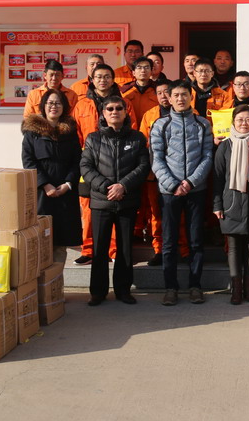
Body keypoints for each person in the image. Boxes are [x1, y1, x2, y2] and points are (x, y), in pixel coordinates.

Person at [80, 95, 150, 306]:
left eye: (119, 108)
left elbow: (143, 166)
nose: (114, 112)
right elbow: (85, 167)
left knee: (125, 248)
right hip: (101, 201)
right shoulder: (93, 138)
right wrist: (106, 187)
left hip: (127, 200)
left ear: (125, 112)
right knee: (100, 248)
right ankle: (98, 292)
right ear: (103, 113)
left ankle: (123, 290)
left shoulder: (137, 138)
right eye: (109, 109)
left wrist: (123, 186)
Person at [149, 80, 214, 306]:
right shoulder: (161, 124)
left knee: (195, 240)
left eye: (184, 94)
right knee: (169, 241)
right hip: (169, 191)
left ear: (191, 97)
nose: (180, 99)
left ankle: (195, 286)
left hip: (196, 189)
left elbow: (207, 156)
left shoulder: (202, 124)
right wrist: (173, 184)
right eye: (175, 95)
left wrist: (191, 182)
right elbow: (156, 158)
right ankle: (171, 287)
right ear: (169, 98)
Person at [72, 64, 139, 265]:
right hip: (91, 165)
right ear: (92, 80)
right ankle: (88, 249)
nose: (103, 80)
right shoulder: (82, 104)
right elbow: (76, 135)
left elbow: (132, 129)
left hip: (119, 163)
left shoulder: (124, 103)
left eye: (107, 76)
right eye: (99, 77)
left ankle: (114, 250)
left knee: (117, 209)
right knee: (88, 209)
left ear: (113, 79)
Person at [213, 105, 249, 305]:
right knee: (234, 247)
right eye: (240, 120)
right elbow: (218, 177)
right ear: (233, 123)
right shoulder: (225, 146)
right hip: (231, 202)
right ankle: (236, 289)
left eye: (248, 120)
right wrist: (217, 204)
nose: (244, 123)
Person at [21, 89, 82, 263]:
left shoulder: (70, 131)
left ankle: (56, 279)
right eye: (50, 103)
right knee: (41, 239)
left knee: (61, 243)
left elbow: (77, 160)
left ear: (64, 107)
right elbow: (28, 161)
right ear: (43, 106)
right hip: (42, 195)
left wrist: (68, 184)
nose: (54, 107)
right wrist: (45, 184)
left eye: (58, 103)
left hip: (65, 194)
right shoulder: (32, 132)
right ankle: (41, 279)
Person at [138, 80, 190, 266]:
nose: (163, 96)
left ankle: (184, 250)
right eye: (159, 93)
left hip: (181, 174)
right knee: (157, 214)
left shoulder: (190, 115)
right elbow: (143, 143)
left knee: (182, 215)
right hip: (155, 174)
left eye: (166, 92)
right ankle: (159, 250)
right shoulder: (149, 115)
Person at [122, 57, 158, 125]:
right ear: (133, 72)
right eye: (139, 67)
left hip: (151, 128)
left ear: (151, 71)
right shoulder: (125, 91)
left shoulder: (157, 91)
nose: (143, 70)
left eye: (146, 67)